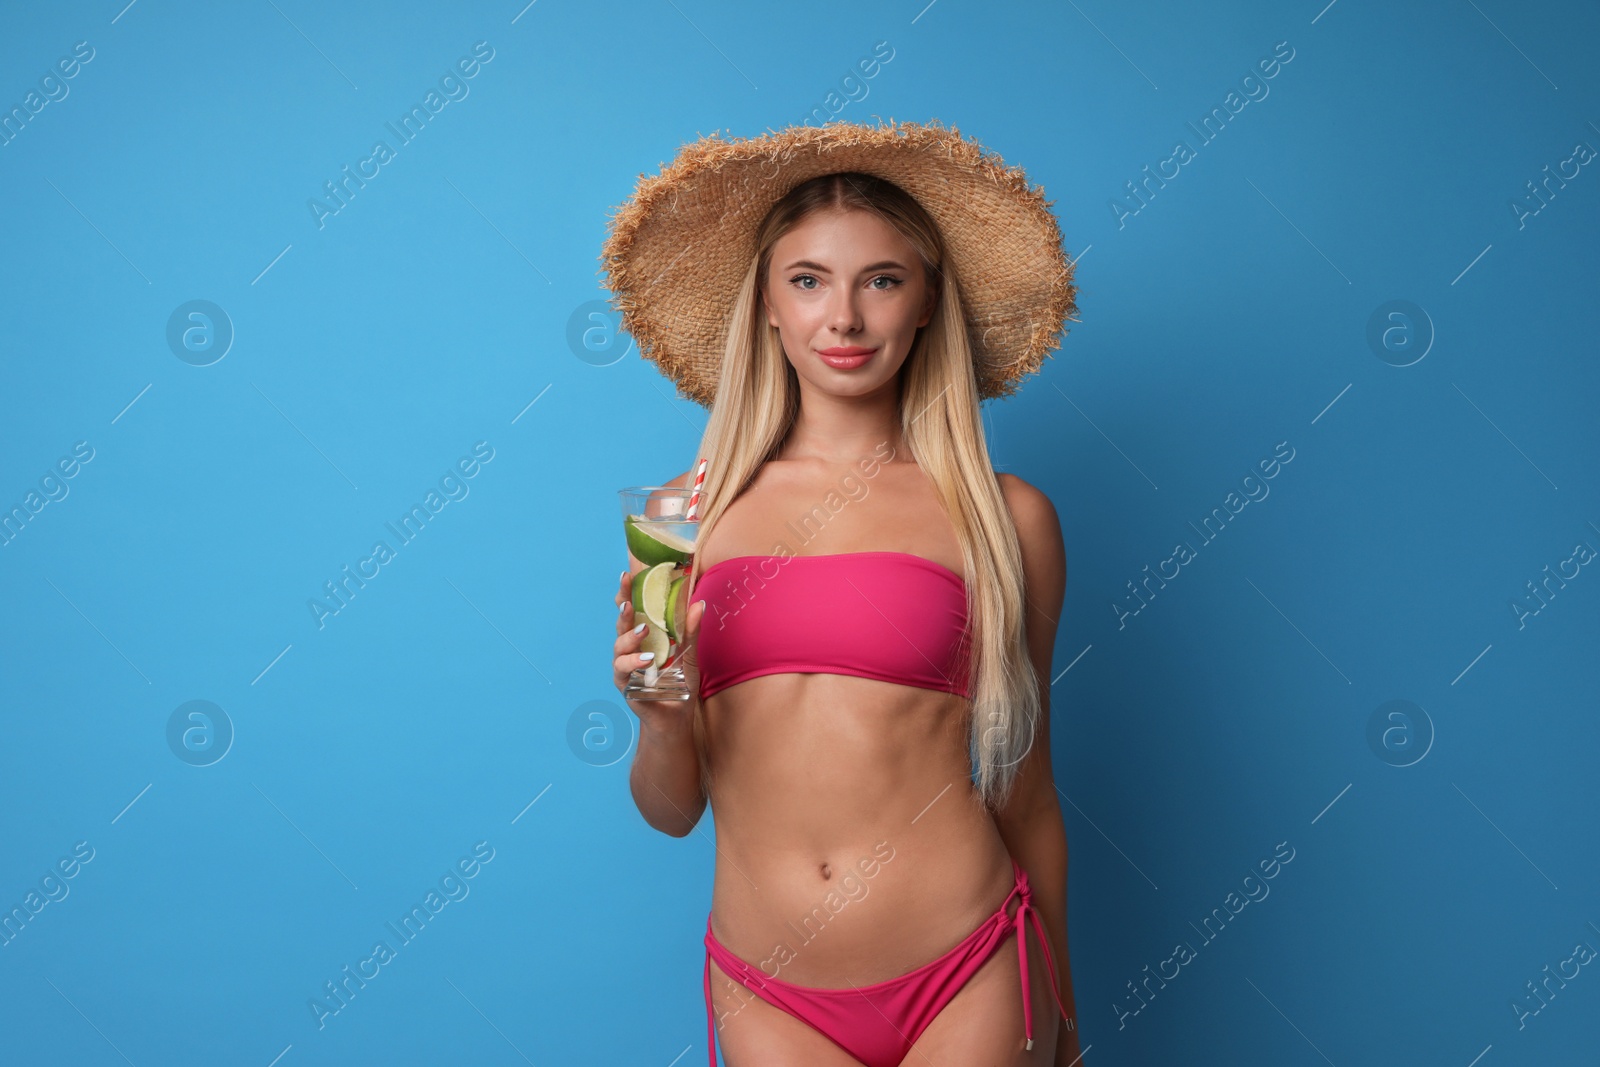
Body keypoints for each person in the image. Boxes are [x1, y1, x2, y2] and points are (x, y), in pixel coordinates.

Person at [601, 120, 1083, 1066]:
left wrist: (1064, 1006)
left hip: (968, 965)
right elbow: (672, 809)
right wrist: (657, 717)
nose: (845, 319)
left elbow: (1029, 796)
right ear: (769, 307)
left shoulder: (1004, 517)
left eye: (883, 280)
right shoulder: (680, 517)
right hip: (767, 988)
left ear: (929, 303)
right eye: (809, 280)